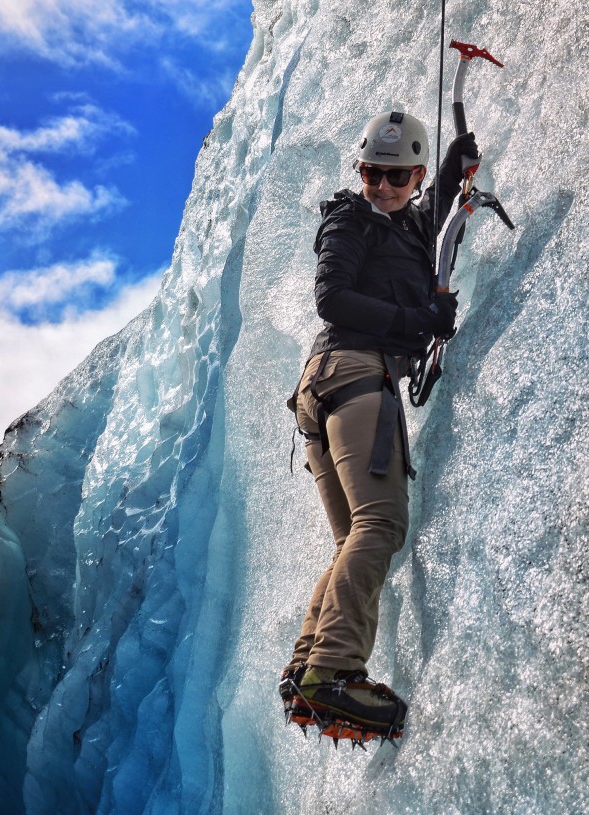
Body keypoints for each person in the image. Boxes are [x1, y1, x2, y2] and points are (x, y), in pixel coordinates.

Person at [280, 111, 479, 736]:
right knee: (381, 525)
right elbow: (331, 299)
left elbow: (432, 220)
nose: (383, 186)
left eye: (397, 176)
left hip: (329, 389)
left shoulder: (404, 223)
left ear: (415, 176)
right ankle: (334, 674)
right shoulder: (349, 220)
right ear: (359, 171)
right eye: (372, 172)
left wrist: (455, 162)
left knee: (353, 540)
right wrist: (420, 320)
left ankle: (307, 671)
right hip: (353, 375)